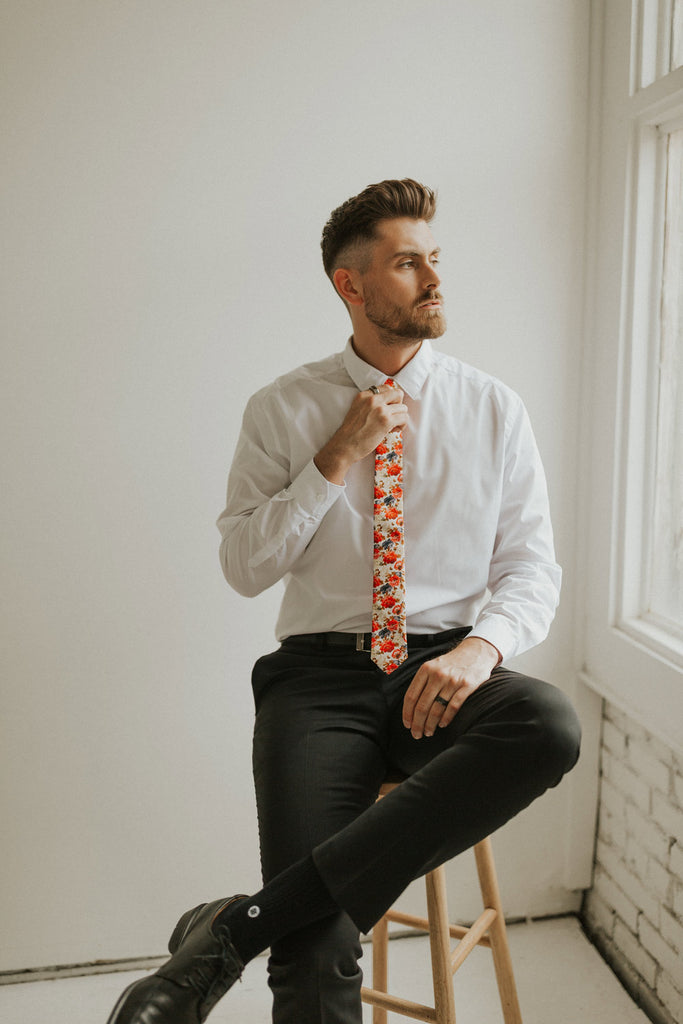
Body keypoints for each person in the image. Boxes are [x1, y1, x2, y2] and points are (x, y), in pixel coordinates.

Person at [106, 179, 581, 1024]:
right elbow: (244, 567)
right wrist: (331, 461)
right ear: (349, 284)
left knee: (547, 723)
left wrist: (479, 651)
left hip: (442, 668)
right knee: (318, 950)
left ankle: (237, 927)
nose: (433, 279)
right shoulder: (281, 408)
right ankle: (285, 920)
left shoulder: (491, 408)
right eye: (407, 264)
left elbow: (530, 568)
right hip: (317, 683)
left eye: (434, 259)